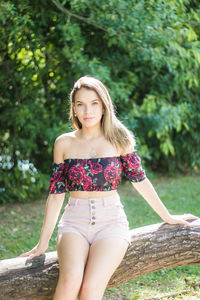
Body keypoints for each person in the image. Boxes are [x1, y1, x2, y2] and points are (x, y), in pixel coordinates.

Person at [19, 75, 198, 300]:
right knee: (70, 278)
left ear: (104, 106)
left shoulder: (119, 139)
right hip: (74, 221)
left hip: (111, 222)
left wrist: (167, 216)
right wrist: (43, 241)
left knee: (90, 289)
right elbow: (56, 195)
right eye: (81, 104)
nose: (88, 111)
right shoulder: (63, 143)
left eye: (94, 103)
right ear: (73, 109)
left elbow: (139, 180)